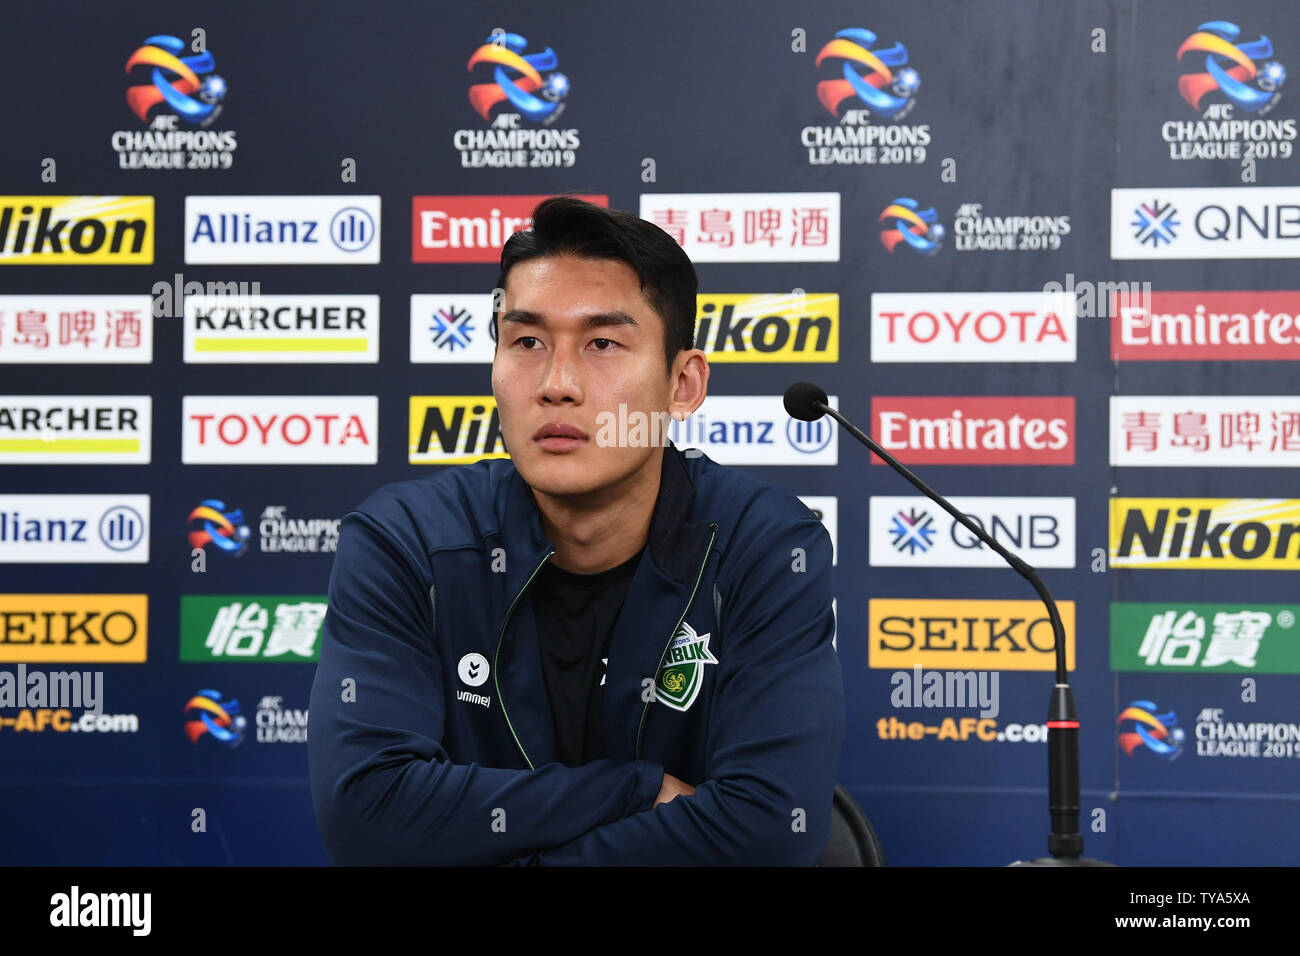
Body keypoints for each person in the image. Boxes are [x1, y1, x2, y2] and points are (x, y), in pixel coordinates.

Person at [307, 195, 844, 865]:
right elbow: (365, 816)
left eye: (602, 344)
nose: (557, 384)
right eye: (527, 341)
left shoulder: (766, 547)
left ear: (683, 384)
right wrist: (633, 788)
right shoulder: (405, 541)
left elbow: (770, 828)